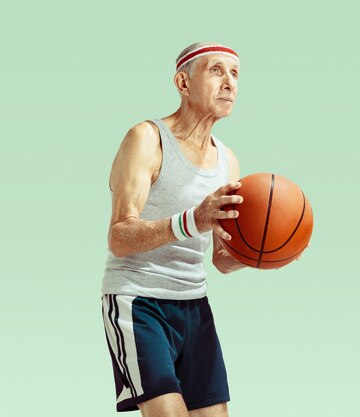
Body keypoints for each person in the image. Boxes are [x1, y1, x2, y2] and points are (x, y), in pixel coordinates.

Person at [101, 42, 246, 417]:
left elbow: (221, 258)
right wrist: (192, 220)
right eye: (216, 71)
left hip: (194, 305)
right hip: (138, 300)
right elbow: (119, 236)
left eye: (235, 74)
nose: (229, 82)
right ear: (183, 82)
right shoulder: (146, 139)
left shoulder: (227, 161)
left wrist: (268, 254)